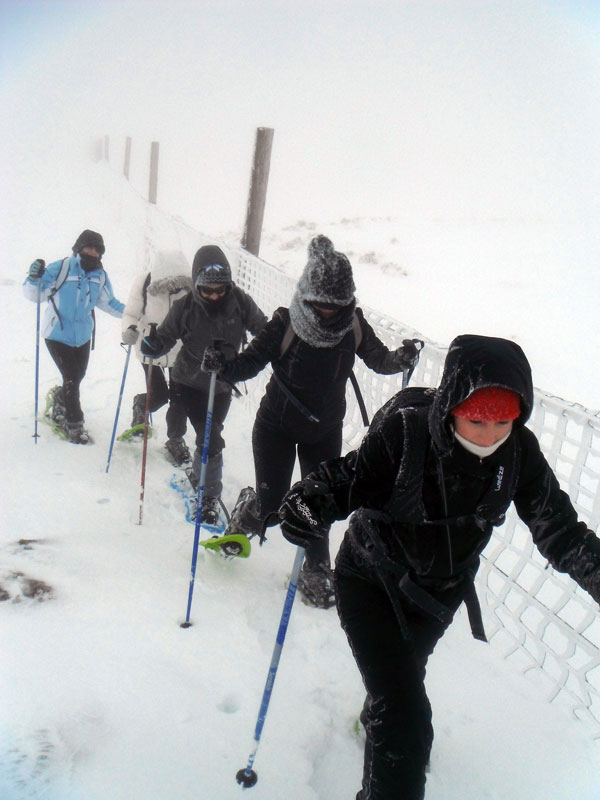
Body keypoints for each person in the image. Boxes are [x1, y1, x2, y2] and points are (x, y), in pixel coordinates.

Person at [277, 333, 600, 800]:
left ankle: (381, 716)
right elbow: (349, 480)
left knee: (401, 687)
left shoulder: (519, 453)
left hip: (436, 599)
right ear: (451, 408)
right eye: (476, 421)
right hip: (369, 581)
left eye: (503, 422)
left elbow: (561, 531)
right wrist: (310, 501)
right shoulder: (406, 435)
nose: (489, 437)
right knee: (408, 725)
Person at [201, 235, 422, 608]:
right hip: (276, 427)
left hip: (324, 430)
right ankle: (253, 509)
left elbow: (378, 358)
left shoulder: (354, 325)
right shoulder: (285, 323)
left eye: (335, 306)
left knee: (317, 504)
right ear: (306, 295)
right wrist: (222, 367)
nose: (326, 312)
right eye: (319, 304)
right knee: (275, 509)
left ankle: (316, 568)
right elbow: (249, 363)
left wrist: (399, 360)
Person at [140, 244, 267, 524]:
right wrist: (153, 345)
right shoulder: (185, 307)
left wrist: (243, 361)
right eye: (207, 290)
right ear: (196, 284)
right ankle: (208, 495)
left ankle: (201, 474)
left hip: (222, 384)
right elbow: (166, 336)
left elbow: (265, 332)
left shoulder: (241, 303)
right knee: (211, 438)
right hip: (189, 381)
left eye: (220, 290)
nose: (214, 295)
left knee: (210, 434)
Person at [23, 229, 125, 444]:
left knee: (77, 376)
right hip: (57, 334)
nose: (93, 252)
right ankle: (74, 423)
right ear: (78, 248)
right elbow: (36, 294)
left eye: (97, 249)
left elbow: (109, 303)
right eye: (89, 247)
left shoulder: (100, 276)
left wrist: (135, 315)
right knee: (71, 378)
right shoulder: (61, 268)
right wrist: (33, 278)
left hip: (83, 336)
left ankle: (60, 399)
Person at [121, 249, 193, 464]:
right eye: (169, 283)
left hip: (180, 350)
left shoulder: (192, 289)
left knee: (180, 398)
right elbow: (131, 313)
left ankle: (176, 439)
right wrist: (130, 329)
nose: (175, 288)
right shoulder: (144, 283)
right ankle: (142, 404)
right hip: (150, 347)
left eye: (179, 283)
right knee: (160, 396)